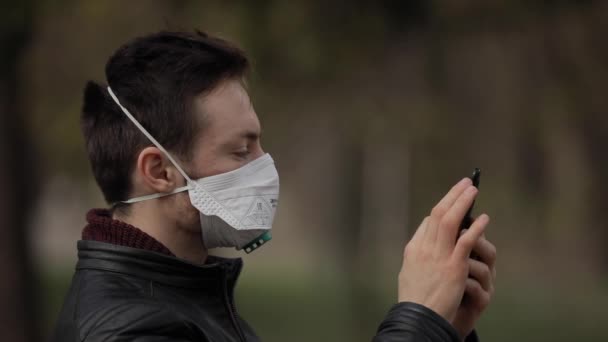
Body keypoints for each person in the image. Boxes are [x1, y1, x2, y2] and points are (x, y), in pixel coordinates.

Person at [52, 30, 496, 342]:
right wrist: (418, 320)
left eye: (259, 144)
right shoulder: (126, 329)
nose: (266, 167)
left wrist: (445, 331)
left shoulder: (189, 295)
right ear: (160, 171)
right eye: (241, 151)